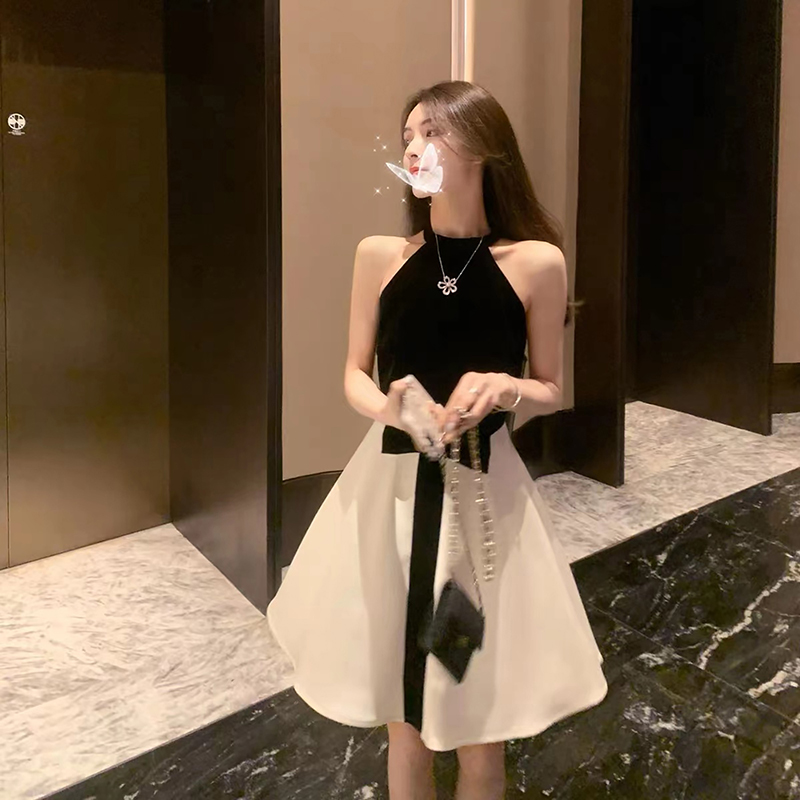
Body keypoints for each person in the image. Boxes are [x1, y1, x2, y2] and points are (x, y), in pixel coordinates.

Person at [268, 81, 608, 800]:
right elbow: (354, 374)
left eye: (432, 132)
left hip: (485, 503)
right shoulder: (381, 255)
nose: (415, 148)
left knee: (477, 717)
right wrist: (393, 411)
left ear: (482, 146)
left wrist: (505, 387)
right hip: (388, 495)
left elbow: (550, 387)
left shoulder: (536, 262)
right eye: (408, 138)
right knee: (404, 722)